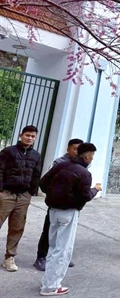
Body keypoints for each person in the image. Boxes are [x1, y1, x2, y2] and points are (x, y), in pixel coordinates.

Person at [38, 143, 100, 296]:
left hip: (53, 210)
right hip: (69, 212)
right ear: (87, 155)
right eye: (92, 155)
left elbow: (43, 184)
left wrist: (55, 195)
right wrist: (95, 190)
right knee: (63, 249)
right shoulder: (84, 173)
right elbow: (85, 195)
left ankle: (48, 281)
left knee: (53, 247)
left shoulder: (60, 166)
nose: (92, 158)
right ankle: (52, 286)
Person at [33, 139, 83, 272]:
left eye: (79, 150)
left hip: (72, 206)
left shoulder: (82, 165)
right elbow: (46, 182)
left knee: (66, 234)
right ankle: (41, 257)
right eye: (75, 149)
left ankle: (62, 256)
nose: (77, 152)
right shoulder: (59, 163)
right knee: (49, 231)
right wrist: (54, 196)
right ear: (68, 149)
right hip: (56, 205)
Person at [0, 125, 41, 272]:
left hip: (23, 196)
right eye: (27, 135)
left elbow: (36, 174)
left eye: (33, 136)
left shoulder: (36, 155)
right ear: (21, 135)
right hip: (6, 194)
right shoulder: (8, 152)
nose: (30, 138)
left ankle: (9, 258)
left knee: (17, 227)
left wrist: (31, 192)